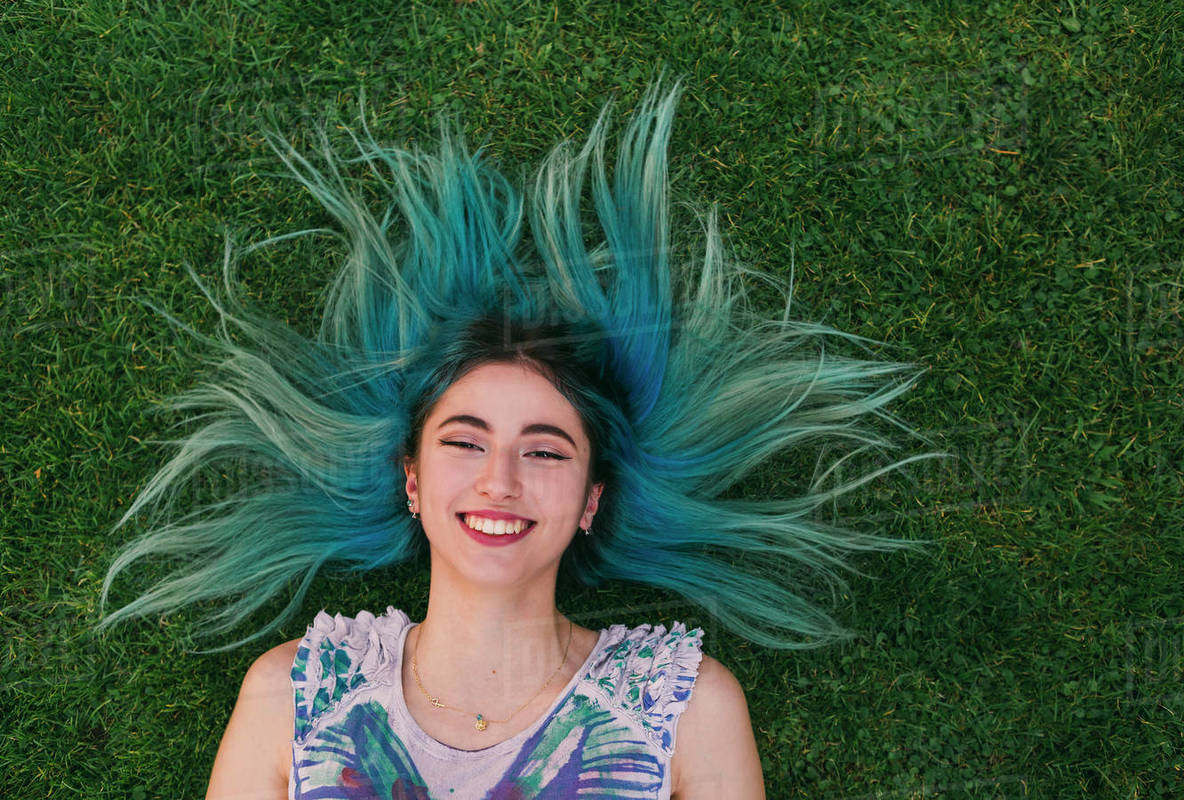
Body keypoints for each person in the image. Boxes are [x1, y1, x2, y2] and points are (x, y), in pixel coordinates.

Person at [98, 80, 934, 799]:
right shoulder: (298, 694)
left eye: (544, 450)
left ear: (590, 500)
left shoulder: (682, 708)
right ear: (412, 480)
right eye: (464, 442)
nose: (499, 479)